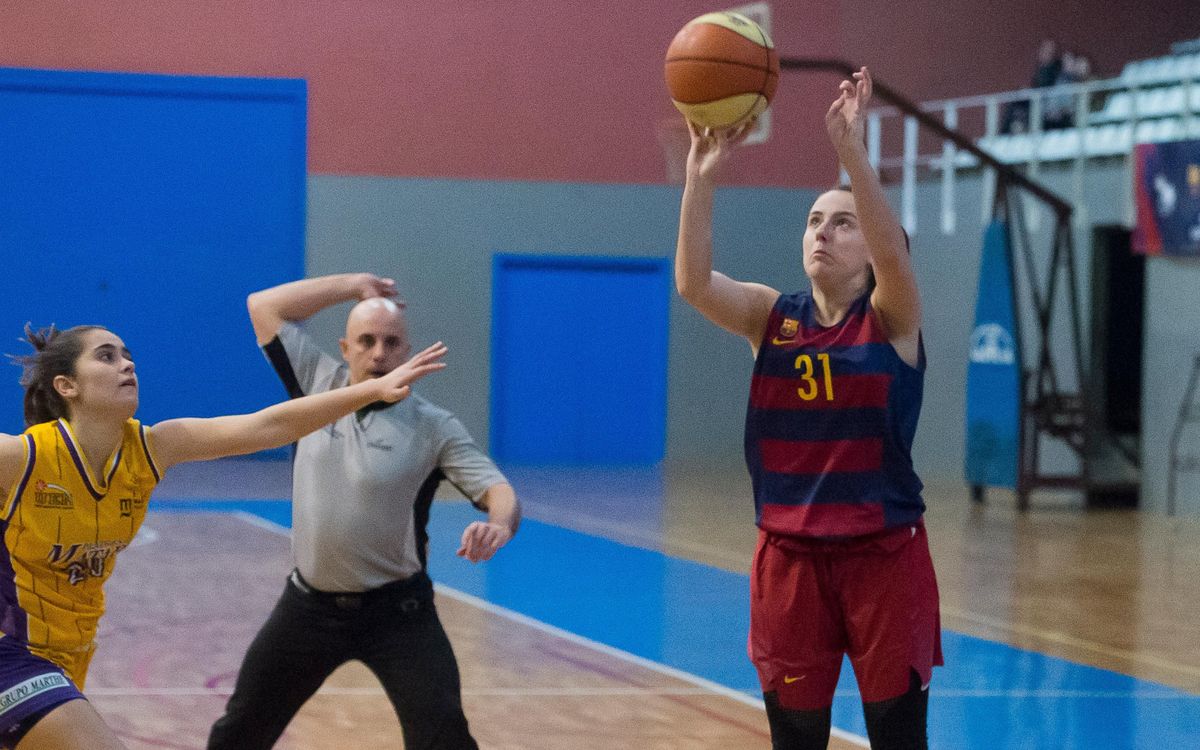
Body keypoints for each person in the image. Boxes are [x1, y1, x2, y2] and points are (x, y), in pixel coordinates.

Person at [0, 323, 447, 750]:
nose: (127, 365)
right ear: (66, 386)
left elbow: (269, 426)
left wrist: (370, 389)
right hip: (12, 654)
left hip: (69, 655)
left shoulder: (151, 449)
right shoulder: (23, 459)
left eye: (128, 355)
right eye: (107, 356)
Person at [674, 67, 941, 749]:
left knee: (899, 739)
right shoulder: (771, 317)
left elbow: (893, 255)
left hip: (884, 558)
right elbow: (695, 283)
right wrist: (701, 178)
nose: (822, 232)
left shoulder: (893, 316)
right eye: (815, 220)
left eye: (843, 224)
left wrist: (852, 152)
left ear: (876, 253)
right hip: (789, 558)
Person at [207, 273, 519, 750]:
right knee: (238, 734)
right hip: (307, 609)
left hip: (399, 614)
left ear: (408, 350)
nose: (379, 353)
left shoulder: (434, 427)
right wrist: (353, 286)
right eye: (367, 341)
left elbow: (498, 489)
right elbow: (262, 305)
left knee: (444, 740)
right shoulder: (315, 384)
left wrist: (498, 524)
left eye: (392, 343)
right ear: (345, 347)